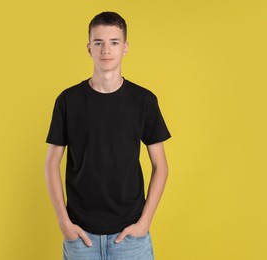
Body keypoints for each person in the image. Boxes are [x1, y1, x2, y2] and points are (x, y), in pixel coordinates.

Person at [45, 11, 171, 260]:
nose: (106, 50)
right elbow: (51, 163)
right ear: (89, 48)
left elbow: (161, 165)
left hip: (130, 237)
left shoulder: (143, 101)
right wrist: (64, 223)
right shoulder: (68, 101)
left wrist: (144, 223)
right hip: (81, 238)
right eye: (98, 42)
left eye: (114, 42)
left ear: (125, 47)